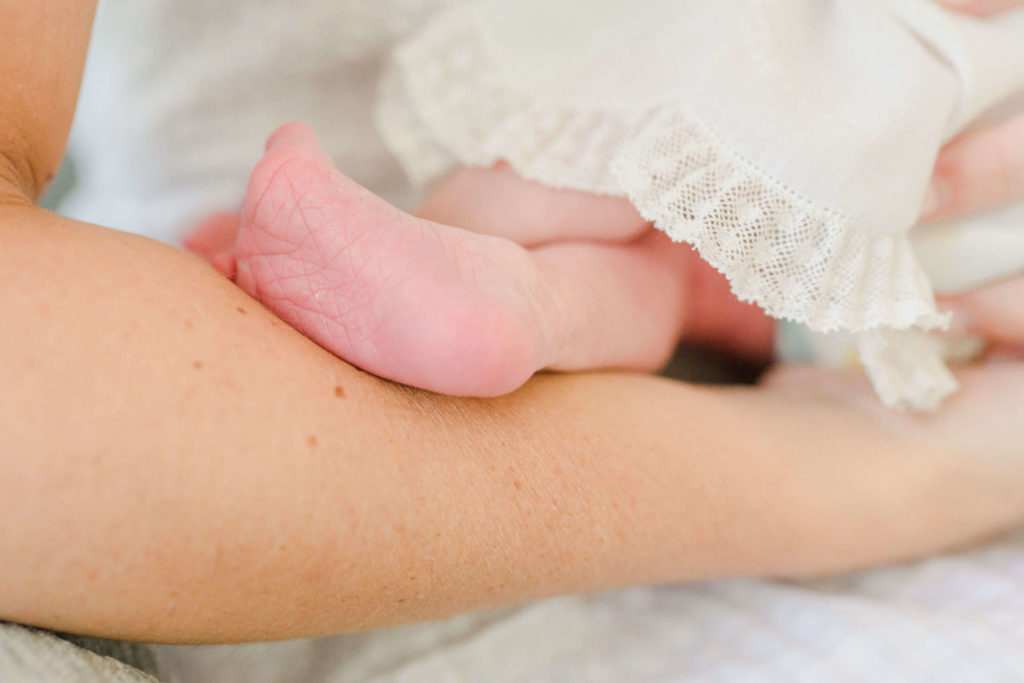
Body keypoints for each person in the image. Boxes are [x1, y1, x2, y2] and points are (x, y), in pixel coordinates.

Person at [1, 0, 1024, 654]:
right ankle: (504, 298)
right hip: (920, 309)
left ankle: (490, 277)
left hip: (915, 167)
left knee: (641, 128)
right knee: (678, 267)